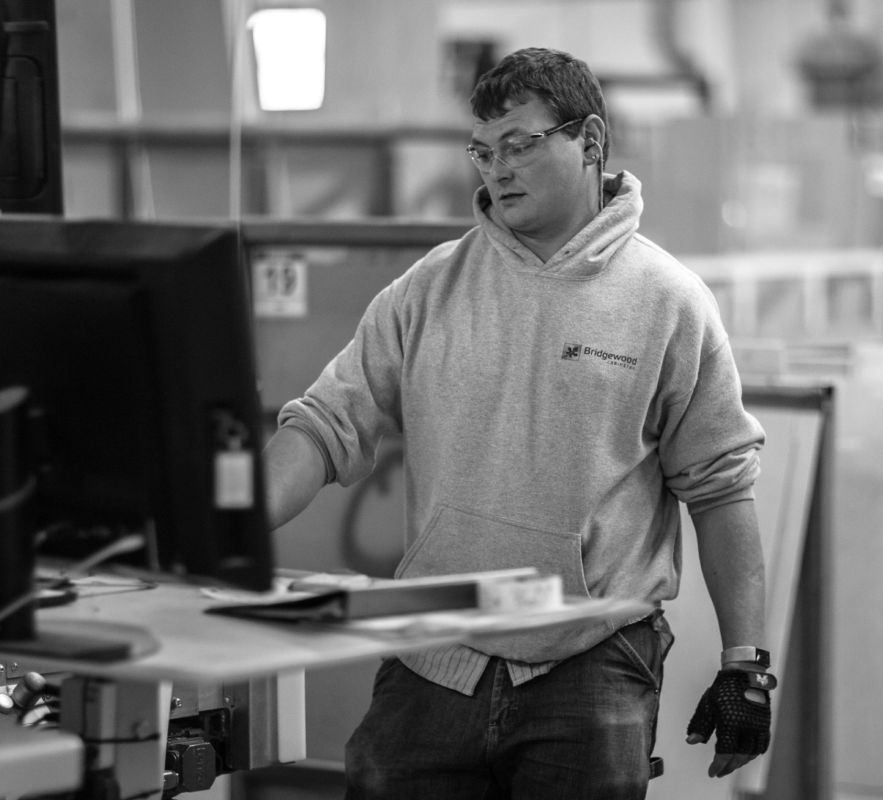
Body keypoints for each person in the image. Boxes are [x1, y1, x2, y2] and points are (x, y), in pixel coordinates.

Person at [263, 47, 773, 800]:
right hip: (433, 654)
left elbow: (721, 489)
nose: (495, 170)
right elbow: (326, 422)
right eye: (481, 150)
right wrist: (235, 523)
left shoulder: (669, 301)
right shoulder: (428, 289)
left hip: (590, 663)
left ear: (590, 141)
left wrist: (746, 662)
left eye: (519, 145)